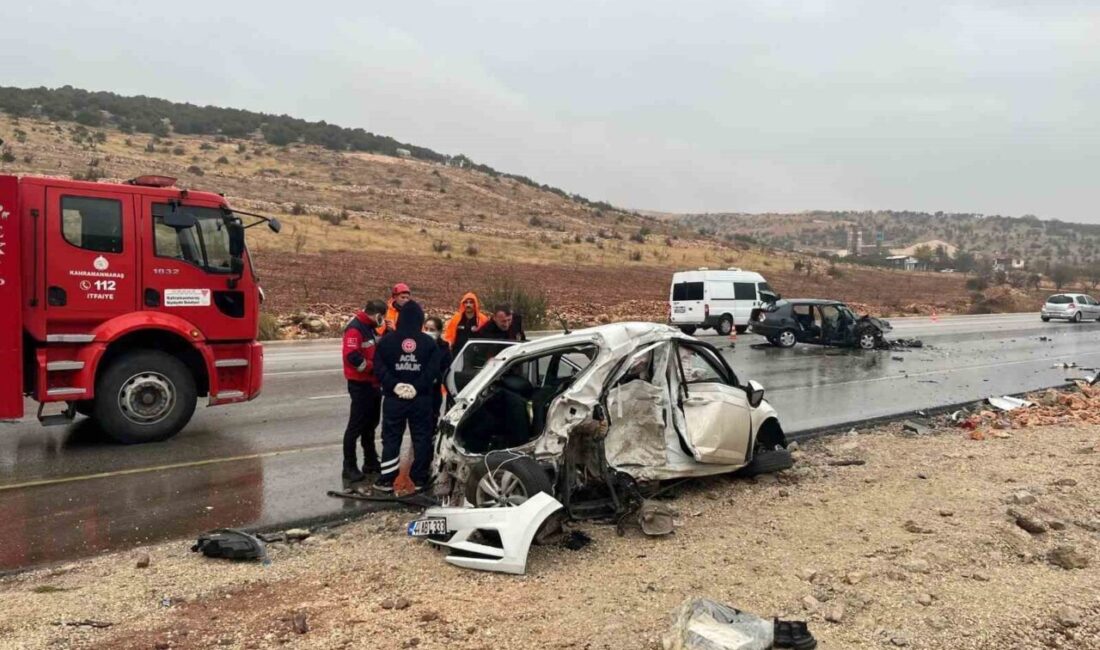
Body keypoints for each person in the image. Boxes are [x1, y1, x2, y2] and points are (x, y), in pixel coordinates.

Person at [373, 300, 443, 492]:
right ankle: (419, 478)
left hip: (394, 399)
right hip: (421, 399)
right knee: (421, 437)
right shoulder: (428, 343)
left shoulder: (387, 341)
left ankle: (387, 479)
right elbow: (433, 370)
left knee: (391, 437)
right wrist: (416, 387)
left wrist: (395, 385)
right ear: (420, 320)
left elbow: (379, 366)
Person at [340, 300, 388, 483]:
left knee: (371, 424)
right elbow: (352, 356)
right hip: (361, 384)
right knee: (356, 426)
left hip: (373, 384)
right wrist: (373, 368)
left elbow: (376, 345)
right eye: (382, 317)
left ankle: (370, 460)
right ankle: (349, 466)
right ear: (377, 315)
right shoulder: (355, 329)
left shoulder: (369, 328)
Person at [423, 316, 452, 425]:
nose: (428, 332)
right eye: (426, 329)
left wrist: (436, 378)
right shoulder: (419, 344)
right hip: (418, 392)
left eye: (432, 330)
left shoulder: (444, 348)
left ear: (439, 332)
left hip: (434, 392)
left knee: (431, 422)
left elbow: (446, 369)